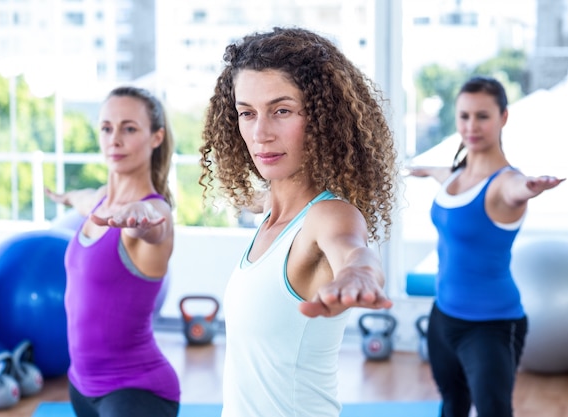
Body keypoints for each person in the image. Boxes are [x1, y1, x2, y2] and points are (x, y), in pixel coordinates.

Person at [199, 27, 398, 417]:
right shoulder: (272, 216)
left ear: (325, 118)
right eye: (247, 113)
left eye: (282, 110)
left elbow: (352, 249)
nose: (260, 133)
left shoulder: (327, 215)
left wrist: (358, 275)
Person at [407, 76, 564, 417]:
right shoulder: (454, 175)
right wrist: (418, 169)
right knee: (452, 405)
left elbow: (515, 188)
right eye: (464, 116)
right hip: (443, 316)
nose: (471, 126)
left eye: (482, 116)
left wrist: (530, 187)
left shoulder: (505, 183)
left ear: (503, 117)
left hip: (490, 327)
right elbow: (441, 173)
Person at [45, 86, 180, 417]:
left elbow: (153, 225)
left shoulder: (153, 212)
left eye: (129, 128)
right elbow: (83, 198)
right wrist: (65, 197)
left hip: (136, 395)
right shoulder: (101, 201)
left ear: (156, 137)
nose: (114, 139)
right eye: (107, 128)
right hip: (80, 387)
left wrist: (140, 218)